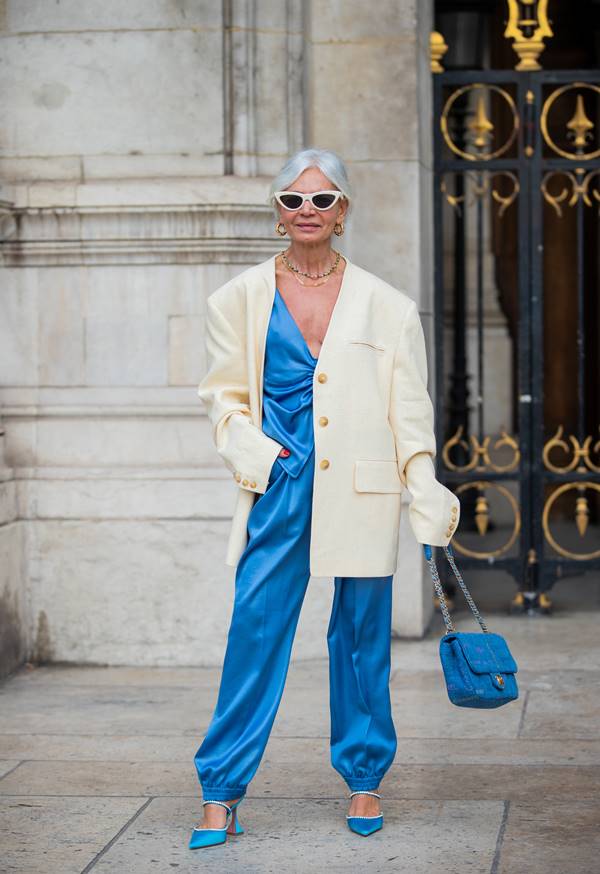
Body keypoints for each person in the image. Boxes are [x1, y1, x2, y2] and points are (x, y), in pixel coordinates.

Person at [190, 148, 460, 849]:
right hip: (281, 483)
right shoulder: (236, 299)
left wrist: (423, 480)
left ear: (343, 212)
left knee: (362, 634)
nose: (306, 209)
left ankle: (365, 776)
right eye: (292, 199)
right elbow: (223, 399)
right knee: (256, 629)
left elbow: (411, 409)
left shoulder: (389, 306)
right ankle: (220, 788)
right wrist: (258, 453)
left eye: (322, 198)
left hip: (364, 486)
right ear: (276, 213)